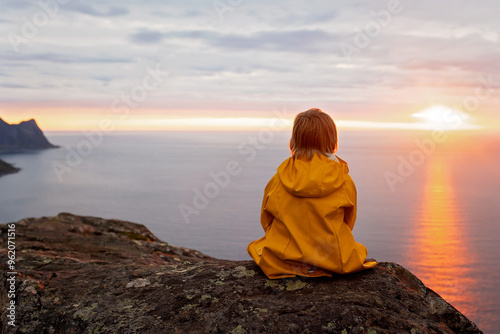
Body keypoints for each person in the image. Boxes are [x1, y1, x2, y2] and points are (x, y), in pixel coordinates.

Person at [247, 108, 377, 279]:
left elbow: (266, 219)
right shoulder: (344, 180)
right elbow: (348, 221)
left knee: (262, 246)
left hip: (282, 259)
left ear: (294, 141)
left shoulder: (278, 179)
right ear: (333, 141)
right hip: (332, 259)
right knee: (358, 249)